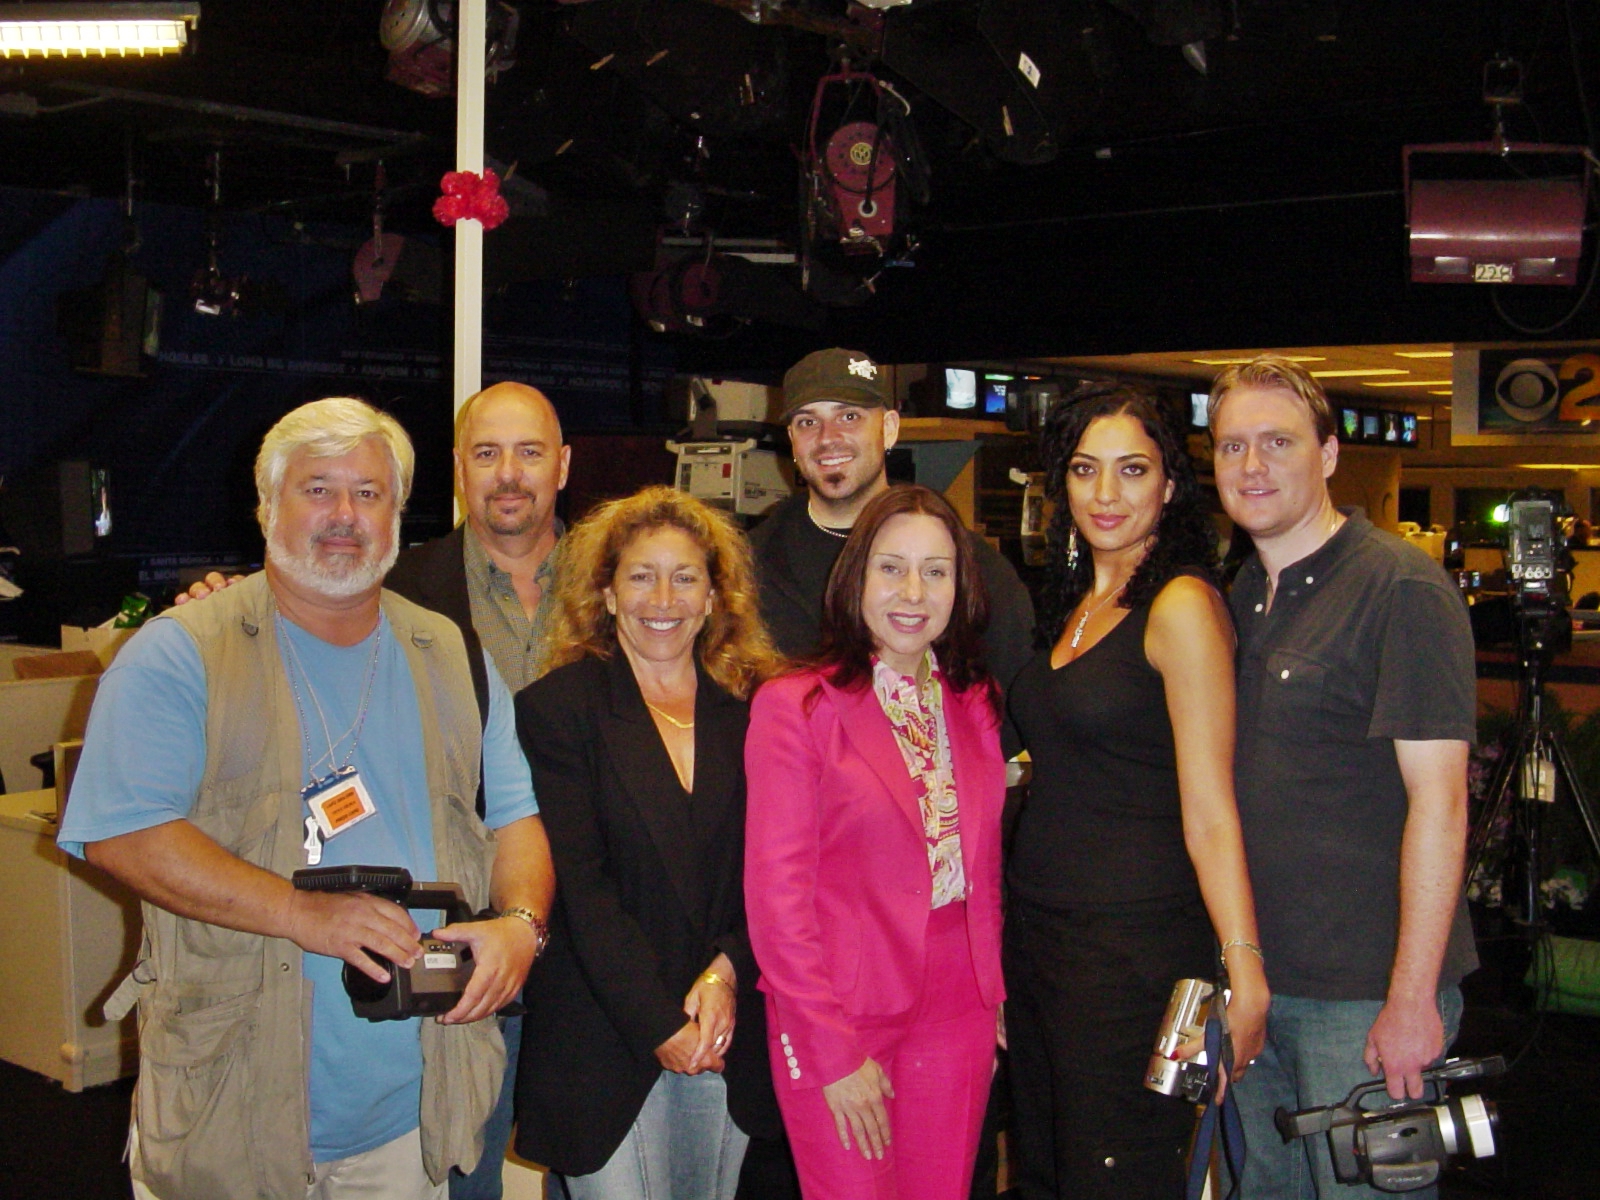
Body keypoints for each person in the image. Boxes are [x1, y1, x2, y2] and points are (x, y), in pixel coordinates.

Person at [56, 397, 556, 1200]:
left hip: (410, 1117)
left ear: (399, 512)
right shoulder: (181, 654)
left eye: (369, 493)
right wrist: (302, 913)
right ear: (267, 506)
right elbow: (124, 833)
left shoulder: (449, 654)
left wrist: (521, 927)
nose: (344, 516)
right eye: (317, 489)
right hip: (232, 1106)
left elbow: (515, 817)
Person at [1208, 356, 1478, 1200]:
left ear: (1328, 453)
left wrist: (1410, 998)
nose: (1252, 467)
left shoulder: (1400, 589)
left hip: (1362, 1002)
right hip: (1258, 986)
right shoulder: (1237, 592)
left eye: (1278, 443)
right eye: (1232, 447)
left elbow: (1441, 801)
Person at [1002, 383, 1269, 1199]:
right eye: (1086, 470)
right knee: (1048, 1171)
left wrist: (1244, 967)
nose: (1106, 494)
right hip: (1045, 938)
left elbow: (1212, 807)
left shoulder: (1181, 604)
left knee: (1118, 1175)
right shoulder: (1080, 604)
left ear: (1169, 485)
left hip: (1132, 952)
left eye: (1132, 470)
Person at [513, 485, 785, 1199]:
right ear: (605, 593)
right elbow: (583, 888)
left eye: (684, 577)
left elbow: (780, 875)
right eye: (640, 575)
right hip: (605, 1039)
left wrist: (727, 971)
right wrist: (659, 1022)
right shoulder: (559, 710)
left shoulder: (760, 715)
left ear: (712, 598)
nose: (662, 598)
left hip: (723, 1028)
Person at [744, 483, 1008, 1200]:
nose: (913, 591)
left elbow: (982, 869)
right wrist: (831, 1050)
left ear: (961, 585)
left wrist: (994, 995)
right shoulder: (795, 706)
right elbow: (777, 900)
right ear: (855, 577)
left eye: (936, 570)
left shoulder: (972, 702)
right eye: (891, 568)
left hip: (959, 1003)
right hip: (839, 1002)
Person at [748, 347, 1035, 752]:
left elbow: (1008, 711)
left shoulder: (964, 563)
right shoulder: (749, 566)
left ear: (889, 428)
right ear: (792, 440)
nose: (829, 437)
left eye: (850, 417)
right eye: (808, 421)